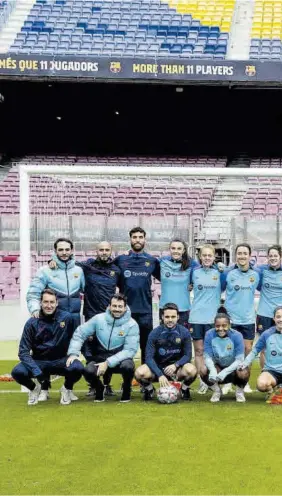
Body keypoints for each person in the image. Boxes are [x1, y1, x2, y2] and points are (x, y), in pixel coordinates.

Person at [26, 238, 85, 401]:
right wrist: (35, 309)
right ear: (55, 251)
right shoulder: (45, 270)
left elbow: (88, 290)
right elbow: (33, 293)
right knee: (46, 351)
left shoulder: (79, 271)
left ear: (72, 250)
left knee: (70, 354)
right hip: (50, 321)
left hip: (72, 320)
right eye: (61, 250)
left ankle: (68, 388)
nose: (64, 252)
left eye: (67, 249)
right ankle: (44, 388)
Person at [11, 289, 84, 406]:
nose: (49, 305)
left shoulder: (67, 318)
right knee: (17, 372)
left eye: (51, 302)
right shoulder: (31, 323)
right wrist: (37, 372)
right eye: (45, 302)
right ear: (40, 303)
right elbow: (23, 352)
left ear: (57, 303)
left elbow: (77, 338)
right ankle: (34, 389)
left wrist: (73, 354)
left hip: (60, 360)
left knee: (78, 368)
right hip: (39, 361)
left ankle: (66, 389)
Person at [67, 294, 139, 403]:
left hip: (120, 359)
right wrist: (73, 353)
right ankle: (99, 388)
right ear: (109, 306)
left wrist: (107, 363)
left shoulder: (132, 324)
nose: (117, 309)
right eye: (114, 306)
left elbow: (130, 350)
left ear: (125, 308)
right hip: (100, 357)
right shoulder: (98, 319)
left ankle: (126, 388)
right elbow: (80, 333)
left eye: (120, 307)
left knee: (128, 366)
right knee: (88, 371)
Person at [114, 227, 159, 363]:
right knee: (123, 345)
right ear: (130, 240)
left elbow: (168, 277)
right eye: (135, 237)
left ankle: (144, 377)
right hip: (124, 311)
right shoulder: (120, 259)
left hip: (145, 311)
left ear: (145, 240)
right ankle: (126, 376)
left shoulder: (152, 261)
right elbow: (105, 270)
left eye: (140, 237)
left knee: (146, 346)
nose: (137, 240)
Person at [135, 303, 197, 401]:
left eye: (173, 317)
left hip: (177, 370)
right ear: (162, 317)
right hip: (157, 369)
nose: (170, 320)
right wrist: (160, 374)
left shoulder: (184, 332)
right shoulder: (154, 333)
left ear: (178, 317)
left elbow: (187, 355)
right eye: (167, 317)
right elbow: (148, 358)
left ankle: (184, 389)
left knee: (192, 370)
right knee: (139, 373)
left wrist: (176, 365)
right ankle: (150, 389)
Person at [221, 243, 262, 393]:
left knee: (247, 351)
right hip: (231, 320)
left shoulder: (256, 274)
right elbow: (219, 288)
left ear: (250, 256)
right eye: (239, 253)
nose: (242, 256)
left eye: (245, 253)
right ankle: (227, 381)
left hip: (248, 320)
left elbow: (265, 288)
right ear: (235, 255)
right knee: (228, 351)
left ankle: (244, 382)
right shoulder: (228, 273)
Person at [189, 244, 225, 394]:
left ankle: (215, 378)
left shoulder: (220, 272)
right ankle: (203, 381)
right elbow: (188, 285)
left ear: (214, 257)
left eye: (210, 255)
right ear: (200, 257)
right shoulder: (194, 272)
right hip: (196, 316)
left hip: (213, 319)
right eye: (204, 255)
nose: (207, 258)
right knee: (198, 351)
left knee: (213, 352)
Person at [201, 312, 249, 403]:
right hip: (218, 368)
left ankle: (239, 392)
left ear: (229, 325)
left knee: (243, 371)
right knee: (203, 369)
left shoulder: (237, 335)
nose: (221, 329)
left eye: (224, 326)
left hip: (234, 370)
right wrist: (212, 370)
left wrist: (225, 372)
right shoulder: (209, 334)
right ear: (214, 325)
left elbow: (240, 360)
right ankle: (217, 391)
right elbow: (207, 357)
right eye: (217, 326)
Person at [239, 306, 282, 396]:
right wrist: (244, 364)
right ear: (274, 319)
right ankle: (271, 392)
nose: (281, 319)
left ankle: (280, 388)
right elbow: (255, 351)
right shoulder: (267, 334)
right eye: (278, 317)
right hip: (272, 371)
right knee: (261, 385)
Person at [157, 238, 199, 329]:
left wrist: (192, 284)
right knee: (163, 340)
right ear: (169, 249)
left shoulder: (192, 264)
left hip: (183, 310)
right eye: (173, 248)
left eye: (179, 248)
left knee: (182, 339)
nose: (176, 251)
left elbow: (202, 274)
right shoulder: (162, 262)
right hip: (165, 309)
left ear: (184, 250)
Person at [256, 245, 282, 368]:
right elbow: (257, 285)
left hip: (280, 316)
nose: (273, 258)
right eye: (270, 256)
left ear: (280, 257)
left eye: (275, 255)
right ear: (267, 257)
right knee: (264, 348)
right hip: (264, 314)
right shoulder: (261, 270)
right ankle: (264, 374)